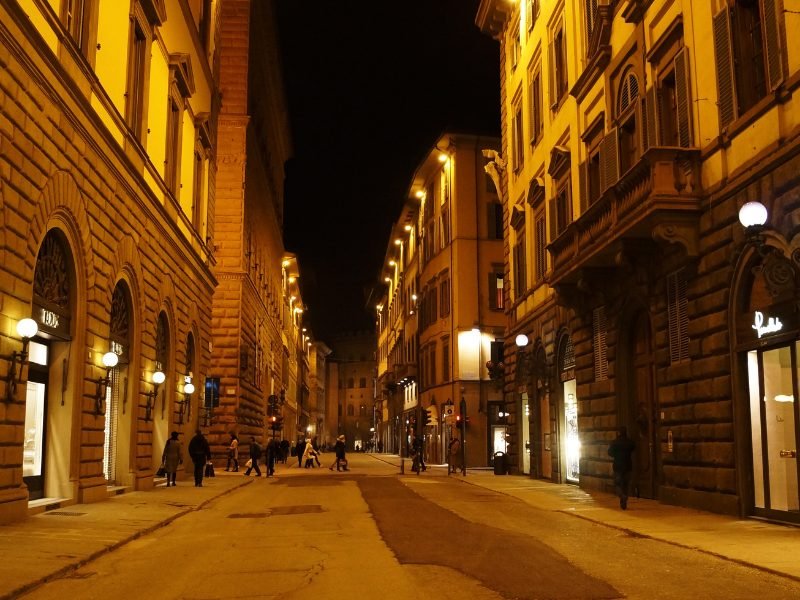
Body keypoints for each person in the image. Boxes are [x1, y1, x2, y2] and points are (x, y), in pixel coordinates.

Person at [608, 427, 636, 510]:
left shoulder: (614, 442)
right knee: (626, 484)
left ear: (618, 433)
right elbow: (633, 447)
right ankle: (624, 502)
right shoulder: (630, 442)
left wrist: (616, 455)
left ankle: (622, 496)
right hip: (628, 466)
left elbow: (609, 453)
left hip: (618, 466)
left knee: (617, 484)